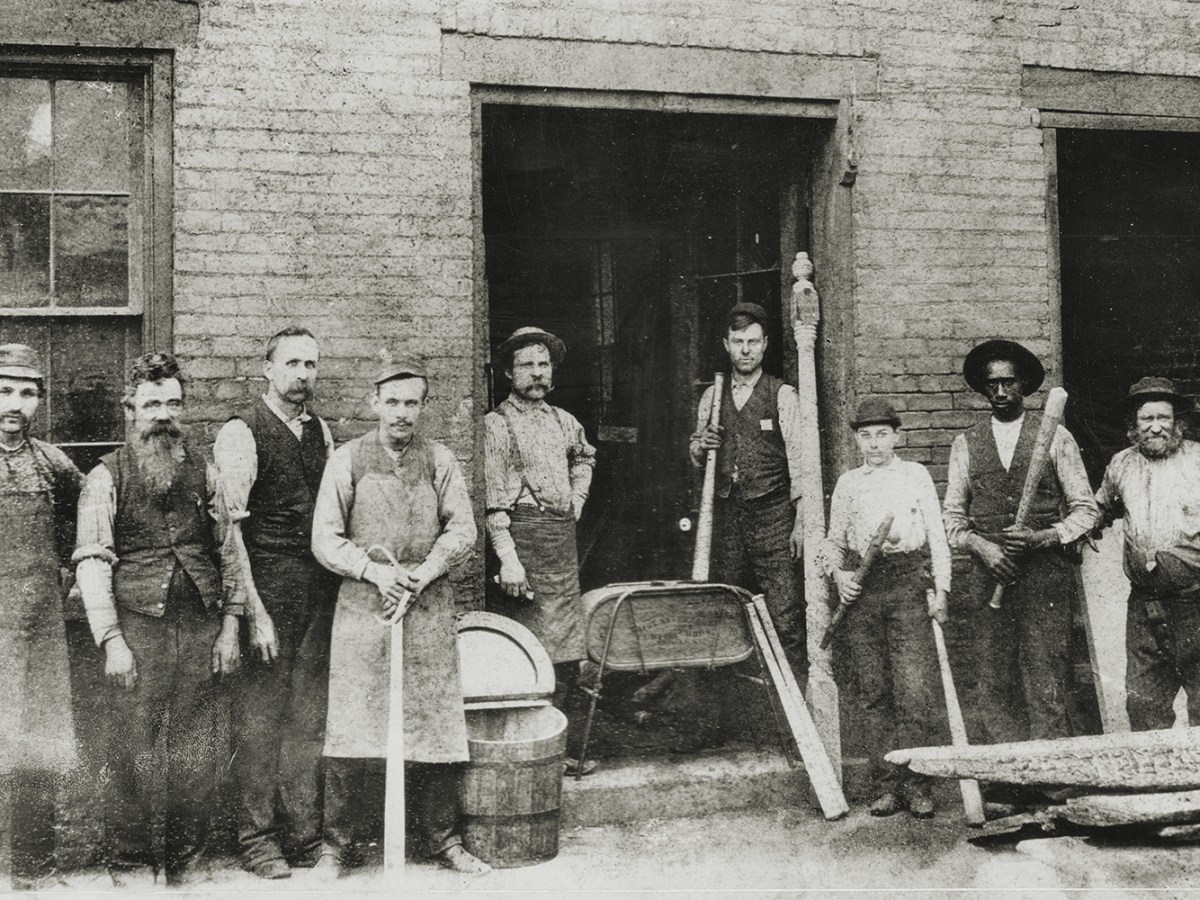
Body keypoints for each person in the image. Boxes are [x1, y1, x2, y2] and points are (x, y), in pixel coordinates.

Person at [310, 360, 489, 876]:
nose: (402, 413)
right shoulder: (347, 460)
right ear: (374, 404)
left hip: (427, 605)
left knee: (433, 723)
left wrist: (425, 572)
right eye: (392, 402)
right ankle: (335, 846)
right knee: (352, 723)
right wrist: (374, 573)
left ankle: (444, 840)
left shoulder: (440, 460)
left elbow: (462, 530)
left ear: (423, 407)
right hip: (366, 607)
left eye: (412, 402)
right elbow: (325, 537)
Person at [74, 352, 242, 887]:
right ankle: (129, 862)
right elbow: (93, 561)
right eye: (151, 404)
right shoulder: (106, 476)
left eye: (173, 403)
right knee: (129, 747)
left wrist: (230, 626)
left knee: (196, 746)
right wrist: (111, 640)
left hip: (199, 625)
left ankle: (188, 859)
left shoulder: (205, 471)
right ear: (130, 411)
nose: (163, 414)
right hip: (136, 627)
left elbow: (229, 550)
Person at [213, 326, 339, 879]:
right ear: (268, 369)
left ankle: (304, 834)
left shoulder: (322, 432)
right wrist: (254, 614)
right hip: (267, 590)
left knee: (307, 719)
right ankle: (257, 839)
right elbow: (229, 534)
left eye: (310, 364)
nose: (303, 374)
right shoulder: (242, 432)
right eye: (291, 363)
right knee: (260, 721)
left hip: (317, 592)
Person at [942, 339, 1099, 746]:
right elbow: (952, 520)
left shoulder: (1055, 436)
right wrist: (983, 547)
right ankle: (1008, 781)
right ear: (982, 388)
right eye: (992, 384)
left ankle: (1049, 780)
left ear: (1025, 386)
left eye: (1009, 383)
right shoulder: (966, 443)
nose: (1000, 392)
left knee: (1046, 673)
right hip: (989, 573)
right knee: (993, 676)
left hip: (1045, 576)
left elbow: (1086, 510)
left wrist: (1043, 537)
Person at [822, 398, 950, 819]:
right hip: (864, 588)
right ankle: (887, 785)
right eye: (865, 435)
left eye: (882, 434)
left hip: (908, 583)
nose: (874, 443)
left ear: (897, 436)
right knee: (874, 691)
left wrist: (942, 590)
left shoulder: (915, 476)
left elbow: (937, 537)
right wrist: (839, 576)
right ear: (856, 439)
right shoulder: (848, 483)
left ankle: (917, 786)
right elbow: (832, 543)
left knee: (913, 689)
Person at [483, 327, 597, 774]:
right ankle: (528, 751)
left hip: (560, 544)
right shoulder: (497, 424)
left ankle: (559, 751)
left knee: (568, 651)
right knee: (528, 651)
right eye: (527, 364)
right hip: (523, 544)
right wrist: (508, 558)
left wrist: (578, 501)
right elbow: (494, 503)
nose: (536, 372)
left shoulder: (563, 421)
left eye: (543, 364)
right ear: (510, 372)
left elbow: (584, 457)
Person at [0, 345, 82, 889]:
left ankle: (35, 868)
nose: (15, 403)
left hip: (40, 625)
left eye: (27, 393)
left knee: (36, 741)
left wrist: (64, 579)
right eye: (4, 390)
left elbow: (80, 533)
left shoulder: (54, 465)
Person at [689, 302, 807, 672]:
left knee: (784, 609)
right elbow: (697, 452)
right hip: (728, 516)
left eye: (753, 342)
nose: (745, 350)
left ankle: (793, 697)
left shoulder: (782, 395)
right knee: (727, 604)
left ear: (765, 344)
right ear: (726, 344)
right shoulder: (712, 396)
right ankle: (733, 697)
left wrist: (801, 521)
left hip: (774, 517)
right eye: (738, 341)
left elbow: (802, 464)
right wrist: (699, 444)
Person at [1094, 376, 1200, 730]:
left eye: (1164, 418)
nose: (1156, 428)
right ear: (1133, 426)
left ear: (1178, 422)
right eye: (1146, 419)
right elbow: (1098, 511)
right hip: (1144, 608)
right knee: (1144, 706)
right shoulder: (1120, 465)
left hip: (1194, 604)